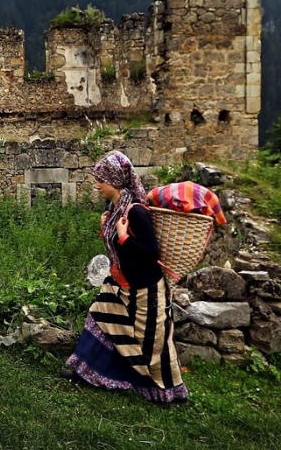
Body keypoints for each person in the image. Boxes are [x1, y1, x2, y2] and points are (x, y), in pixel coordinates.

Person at [60, 150, 189, 406]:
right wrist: (107, 228)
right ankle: (83, 368)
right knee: (99, 317)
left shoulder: (137, 212)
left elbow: (151, 253)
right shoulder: (114, 208)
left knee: (153, 346)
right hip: (119, 283)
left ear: (116, 181)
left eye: (101, 180)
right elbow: (119, 250)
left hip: (145, 290)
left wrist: (123, 237)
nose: (96, 185)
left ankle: (170, 394)